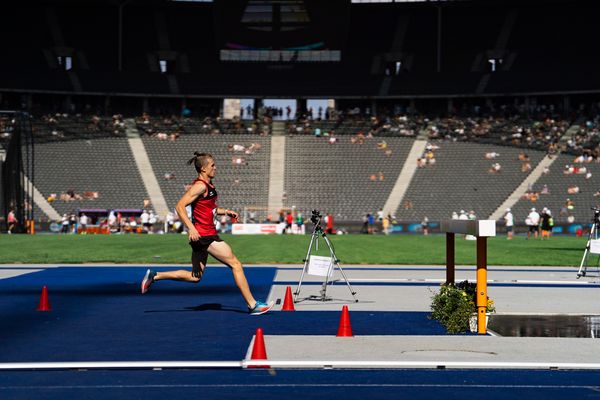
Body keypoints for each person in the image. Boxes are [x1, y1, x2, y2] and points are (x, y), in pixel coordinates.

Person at [140, 152, 273, 315]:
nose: (215, 168)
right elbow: (180, 206)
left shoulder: (207, 186)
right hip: (205, 236)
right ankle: (253, 305)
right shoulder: (200, 186)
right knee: (236, 265)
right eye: (212, 165)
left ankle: (155, 276)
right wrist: (191, 228)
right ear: (203, 168)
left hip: (202, 237)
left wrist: (225, 211)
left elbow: (209, 208)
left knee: (195, 277)